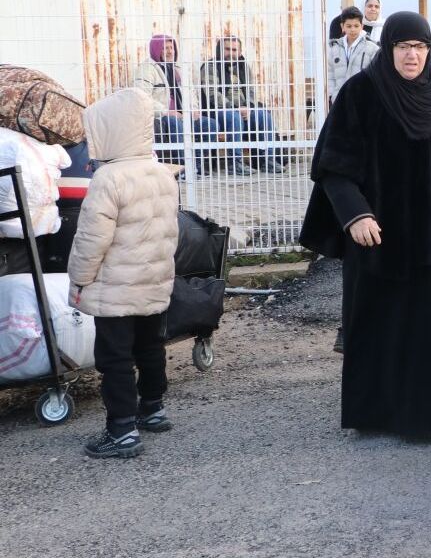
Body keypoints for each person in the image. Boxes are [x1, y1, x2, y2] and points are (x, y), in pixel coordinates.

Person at [299, 11, 431, 439]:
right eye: (403, 47)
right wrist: (354, 214)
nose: (412, 56)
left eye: (419, 47)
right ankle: (379, 414)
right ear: (389, 50)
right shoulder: (361, 94)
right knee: (385, 325)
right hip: (381, 240)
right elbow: (333, 166)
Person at [70, 87, 180, 458]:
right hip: (154, 280)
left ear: (110, 131)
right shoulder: (163, 173)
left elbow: (91, 240)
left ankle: (121, 431)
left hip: (116, 287)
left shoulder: (108, 180)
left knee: (115, 358)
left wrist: (79, 280)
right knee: (150, 347)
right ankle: (153, 408)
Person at [199, 36, 285, 175]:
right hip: (218, 111)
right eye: (227, 49)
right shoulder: (210, 67)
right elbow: (212, 93)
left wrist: (249, 107)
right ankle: (236, 163)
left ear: (239, 52)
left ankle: (267, 161)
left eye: (234, 50)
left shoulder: (244, 67)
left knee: (264, 115)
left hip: (244, 109)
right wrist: (235, 108)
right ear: (220, 50)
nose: (231, 53)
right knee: (234, 117)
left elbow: (251, 90)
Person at [132, 34, 216, 172]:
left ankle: (199, 165)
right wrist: (166, 111)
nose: (170, 51)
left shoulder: (178, 69)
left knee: (210, 124)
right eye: (165, 48)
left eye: (172, 48)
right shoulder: (146, 69)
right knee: (173, 121)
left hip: (184, 115)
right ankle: (184, 168)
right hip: (161, 117)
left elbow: (192, 94)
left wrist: (194, 110)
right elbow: (142, 97)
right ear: (156, 50)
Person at [328, 6, 380, 103]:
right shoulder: (334, 49)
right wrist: (332, 95)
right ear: (342, 26)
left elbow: (377, 77)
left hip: (363, 102)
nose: (352, 29)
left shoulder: (372, 49)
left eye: (356, 26)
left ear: (362, 26)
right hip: (339, 102)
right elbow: (330, 75)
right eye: (349, 26)